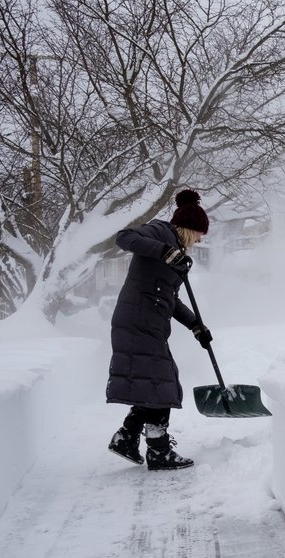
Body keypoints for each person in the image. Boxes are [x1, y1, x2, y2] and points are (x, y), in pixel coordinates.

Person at [106, 189, 213, 470]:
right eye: (200, 233)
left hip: (149, 321)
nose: (202, 239)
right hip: (137, 320)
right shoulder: (160, 233)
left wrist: (196, 326)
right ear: (190, 229)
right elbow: (124, 237)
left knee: (154, 381)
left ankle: (127, 438)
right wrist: (165, 252)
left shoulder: (179, 255)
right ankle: (158, 450)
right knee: (162, 382)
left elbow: (171, 299)